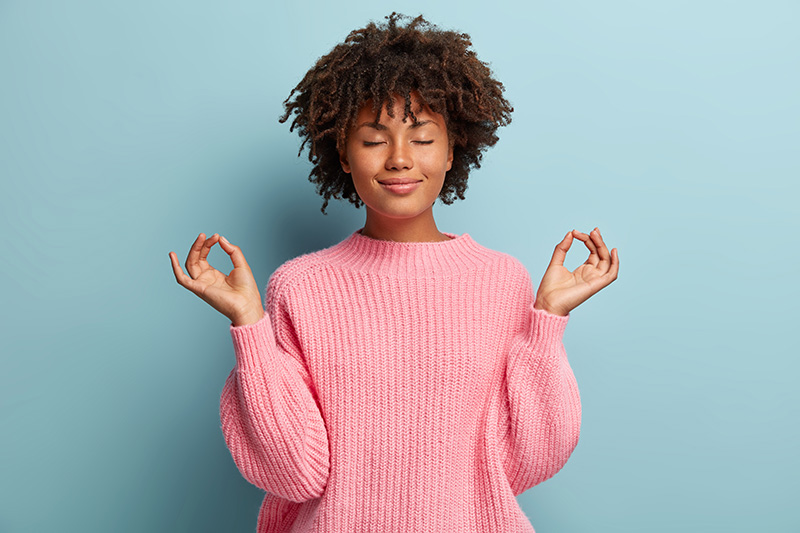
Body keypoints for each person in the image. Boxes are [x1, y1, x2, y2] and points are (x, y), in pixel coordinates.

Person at [169, 13, 618, 532]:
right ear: (342, 152)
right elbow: (293, 474)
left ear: (453, 150)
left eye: (423, 138)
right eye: (374, 138)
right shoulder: (300, 286)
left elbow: (523, 463)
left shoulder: (502, 282)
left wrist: (546, 323)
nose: (400, 159)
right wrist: (251, 325)